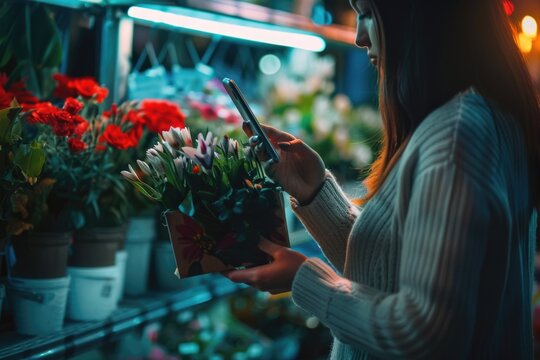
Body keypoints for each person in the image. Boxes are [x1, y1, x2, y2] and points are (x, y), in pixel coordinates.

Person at [225, 0, 540, 358]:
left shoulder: (455, 138)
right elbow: (391, 272)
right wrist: (316, 192)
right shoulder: (484, 119)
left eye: (369, 15)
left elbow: (425, 334)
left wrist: (305, 280)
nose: (360, 37)